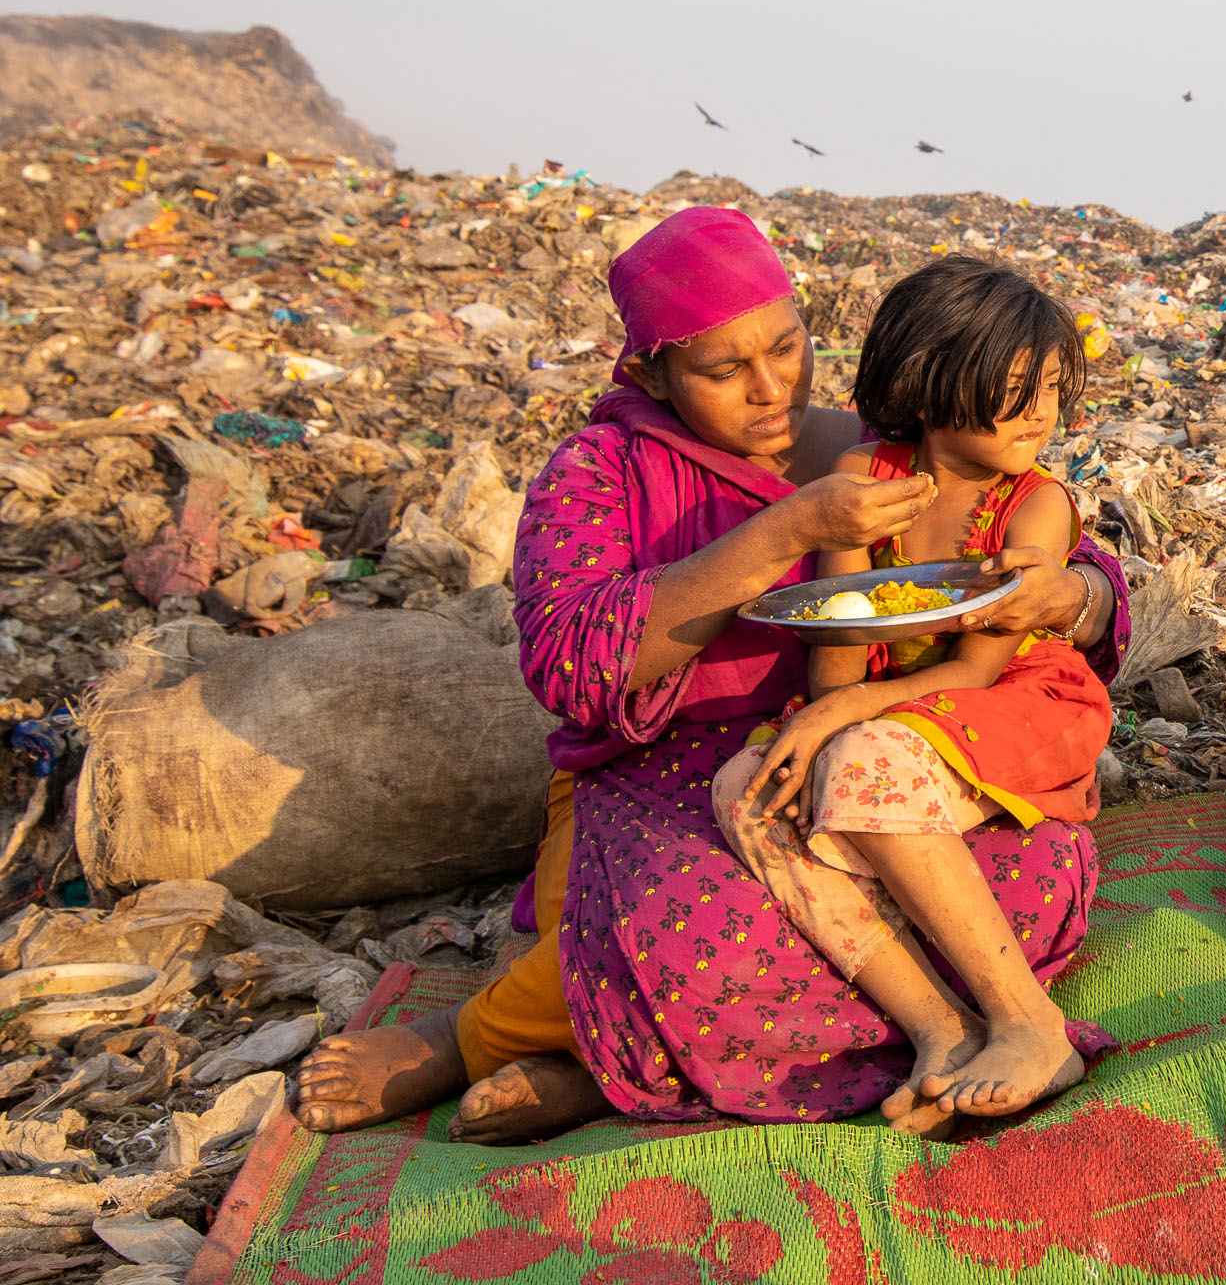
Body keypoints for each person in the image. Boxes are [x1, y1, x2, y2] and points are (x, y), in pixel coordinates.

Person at [294, 208, 1131, 1140]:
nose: (771, 390)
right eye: (724, 371)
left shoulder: (887, 443)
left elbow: (1048, 573)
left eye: (787, 348)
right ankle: (478, 1039)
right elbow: (571, 661)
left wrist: (1075, 595)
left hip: (865, 748)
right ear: (652, 374)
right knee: (697, 928)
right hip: (657, 776)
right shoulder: (598, 474)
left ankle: (611, 1064)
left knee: (1020, 877)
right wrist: (789, 532)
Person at [712, 258, 1112, 1122]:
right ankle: (942, 1029)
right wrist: (826, 704)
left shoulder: (1036, 506)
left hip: (1017, 698)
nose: (1041, 411)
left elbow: (975, 668)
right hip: (893, 696)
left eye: (1051, 387)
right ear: (929, 384)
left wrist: (839, 713)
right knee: (746, 789)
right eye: (1015, 387)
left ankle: (1030, 1023)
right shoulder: (867, 478)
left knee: (862, 758)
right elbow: (839, 644)